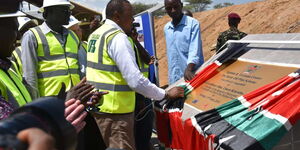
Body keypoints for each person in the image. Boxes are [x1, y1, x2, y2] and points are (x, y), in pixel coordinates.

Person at [86, 0, 184, 149]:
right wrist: (165, 94)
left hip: (99, 107)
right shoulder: (118, 38)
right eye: (130, 15)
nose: (133, 20)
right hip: (116, 111)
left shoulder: (96, 34)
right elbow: (135, 80)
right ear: (117, 16)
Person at [21, 0, 81, 99]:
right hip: (49, 99)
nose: (69, 15)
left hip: (74, 98)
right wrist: (35, 103)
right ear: (48, 12)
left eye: (69, 11)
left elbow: (78, 68)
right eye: (64, 11)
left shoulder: (73, 36)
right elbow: (29, 75)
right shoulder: (32, 36)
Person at [164, 0, 204, 85]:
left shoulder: (193, 24)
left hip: (191, 75)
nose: (173, 10)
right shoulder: (167, 28)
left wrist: (189, 68)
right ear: (165, 10)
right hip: (174, 78)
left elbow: (194, 49)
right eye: (169, 8)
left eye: (175, 7)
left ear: (181, 5)